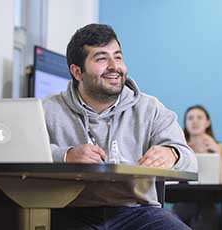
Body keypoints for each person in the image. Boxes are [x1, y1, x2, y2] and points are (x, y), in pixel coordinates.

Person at [42, 23, 197, 230]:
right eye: (102, 58)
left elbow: (191, 161)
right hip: (69, 210)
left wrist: (173, 154)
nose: (114, 66)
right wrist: (65, 156)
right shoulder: (48, 108)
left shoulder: (150, 108)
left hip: (137, 211)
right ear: (77, 72)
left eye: (118, 56)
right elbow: (20, 154)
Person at [173, 105, 222, 230]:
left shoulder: (218, 146)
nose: (195, 121)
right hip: (184, 199)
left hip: (209, 200)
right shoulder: (179, 147)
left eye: (199, 117)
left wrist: (217, 152)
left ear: (207, 122)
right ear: (185, 123)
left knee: (207, 213)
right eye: (190, 118)